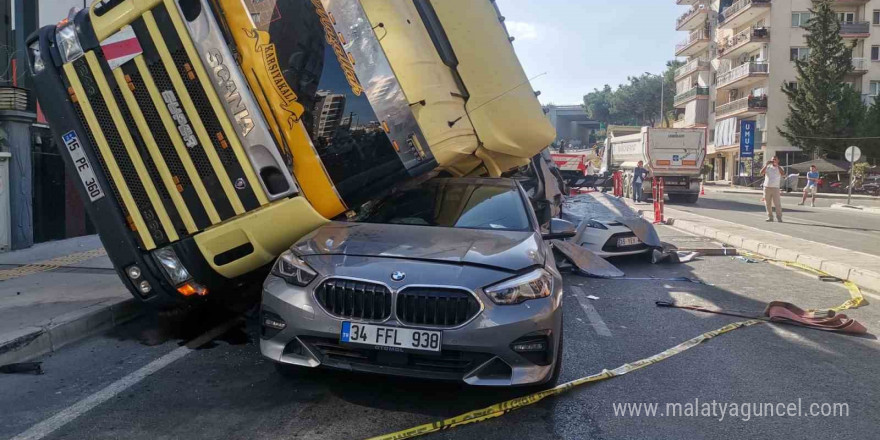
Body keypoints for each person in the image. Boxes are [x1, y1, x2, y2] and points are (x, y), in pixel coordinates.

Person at [760, 156, 785, 222]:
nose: (773, 160)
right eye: (772, 159)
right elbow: (761, 172)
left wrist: (777, 165)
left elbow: (783, 173)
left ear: (778, 160)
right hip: (767, 187)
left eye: (775, 159)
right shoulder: (768, 167)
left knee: (777, 204)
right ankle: (770, 217)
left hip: (775, 188)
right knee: (767, 203)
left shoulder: (780, 168)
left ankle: (779, 217)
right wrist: (766, 165)